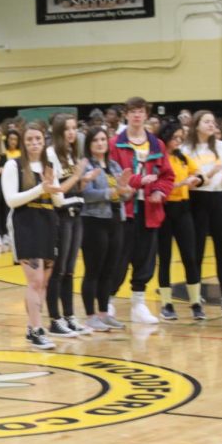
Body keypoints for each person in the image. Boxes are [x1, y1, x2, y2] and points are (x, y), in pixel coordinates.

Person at [109, 97, 174, 324]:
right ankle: (107, 302)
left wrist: (159, 191)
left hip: (149, 211)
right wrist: (138, 180)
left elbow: (167, 176)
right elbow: (114, 175)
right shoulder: (115, 144)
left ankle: (138, 304)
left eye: (141, 111)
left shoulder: (157, 144)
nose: (137, 115)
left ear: (146, 115)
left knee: (145, 259)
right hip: (123, 211)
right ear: (126, 114)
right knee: (118, 258)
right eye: (133, 111)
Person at [2, 124, 62, 349]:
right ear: (23, 142)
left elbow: (57, 201)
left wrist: (56, 187)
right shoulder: (13, 165)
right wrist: (40, 189)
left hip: (48, 222)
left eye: (38, 138)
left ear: (43, 140)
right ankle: (38, 330)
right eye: (29, 139)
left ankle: (31, 327)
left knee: (44, 282)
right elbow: (11, 200)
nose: (34, 143)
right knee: (34, 281)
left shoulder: (49, 165)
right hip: (25, 223)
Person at [181, 110, 222, 314]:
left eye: (212, 121)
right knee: (196, 248)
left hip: (218, 198)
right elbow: (190, 181)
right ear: (196, 124)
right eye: (206, 121)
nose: (211, 124)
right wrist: (208, 175)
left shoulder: (221, 146)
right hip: (197, 200)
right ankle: (196, 294)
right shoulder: (186, 148)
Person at [45, 113, 93, 337]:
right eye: (67, 129)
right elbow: (59, 190)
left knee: (70, 270)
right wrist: (78, 175)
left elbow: (75, 187)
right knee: (58, 270)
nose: (72, 132)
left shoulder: (73, 154)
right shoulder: (51, 154)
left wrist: (84, 179)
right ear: (58, 131)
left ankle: (69, 316)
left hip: (77, 213)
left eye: (74, 128)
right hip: (60, 215)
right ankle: (55, 320)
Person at [80, 126, 130, 330]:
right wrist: (112, 191)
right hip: (94, 221)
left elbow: (124, 194)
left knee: (110, 270)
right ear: (89, 145)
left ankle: (104, 313)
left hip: (116, 219)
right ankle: (90, 316)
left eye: (103, 139)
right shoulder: (84, 166)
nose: (100, 143)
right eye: (95, 140)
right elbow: (87, 195)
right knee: (94, 269)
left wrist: (126, 190)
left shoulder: (114, 165)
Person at [155, 119, 205, 321]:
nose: (177, 141)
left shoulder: (182, 157)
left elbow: (199, 174)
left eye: (180, 138)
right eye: (174, 138)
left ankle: (195, 302)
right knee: (165, 258)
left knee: (190, 257)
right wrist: (180, 184)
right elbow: (159, 186)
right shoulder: (159, 159)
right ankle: (166, 304)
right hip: (165, 209)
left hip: (183, 209)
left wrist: (197, 179)